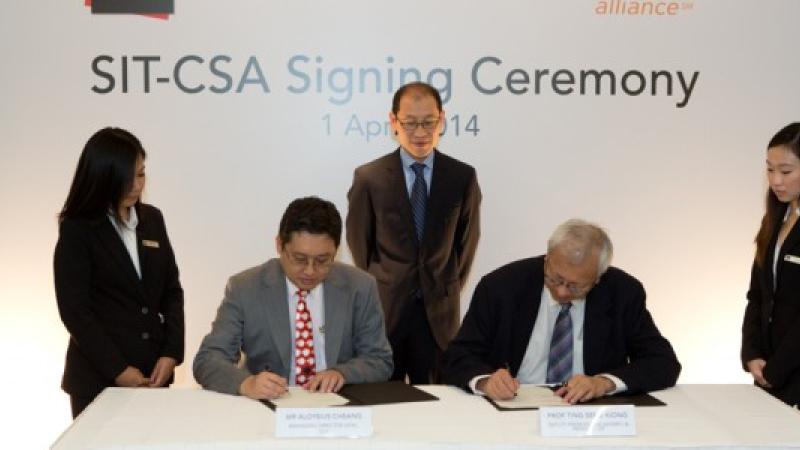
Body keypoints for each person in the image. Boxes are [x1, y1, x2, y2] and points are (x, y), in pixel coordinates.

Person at [442, 219, 680, 403]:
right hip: (514, 405)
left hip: (589, 411)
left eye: (576, 286)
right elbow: (458, 356)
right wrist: (486, 381)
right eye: (555, 279)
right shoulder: (501, 287)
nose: (562, 292)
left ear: (598, 278)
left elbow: (662, 362)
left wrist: (604, 383)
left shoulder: (623, 293)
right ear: (547, 260)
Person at [346, 82, 481, 384]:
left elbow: (466, 243)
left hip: (438, 318)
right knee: (383, 398)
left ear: (441, 120)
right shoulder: (369, 177)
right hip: (387, 312)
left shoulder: (462, 176)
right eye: (410, 123)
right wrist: (385, 284)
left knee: (437, 401)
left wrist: (444, 284)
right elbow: (359, 244)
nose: (420, 132)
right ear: (393, 121)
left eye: (428, 122)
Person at [193, 196, 393, 400]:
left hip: (337, 405)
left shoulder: (360, 286)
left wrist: (342, 373)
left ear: (336, 250)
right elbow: (208, 359)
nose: (310, 270)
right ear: (279, 245)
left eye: (322, 260)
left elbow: (380, 360)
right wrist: (247, 383)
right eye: (299, 259)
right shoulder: (245, 288)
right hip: (269, 405)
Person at [54, 127, 185, 418]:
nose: (136, 185)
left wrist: (171, 353)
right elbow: (75, 311)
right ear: (102, 178)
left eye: (141, 174)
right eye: (126, 178)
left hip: (153, 377)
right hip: (98, 381)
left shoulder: (153, 219)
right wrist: (118, 370)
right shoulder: (77, 228)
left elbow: (172, 291)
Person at [742, 122, 800, 407]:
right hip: (769, 373)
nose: (776, 180)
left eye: (786, 171)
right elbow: (758, 295)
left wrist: (777, 369)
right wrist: (752, 353)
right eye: (769, 169)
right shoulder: (774, 217)